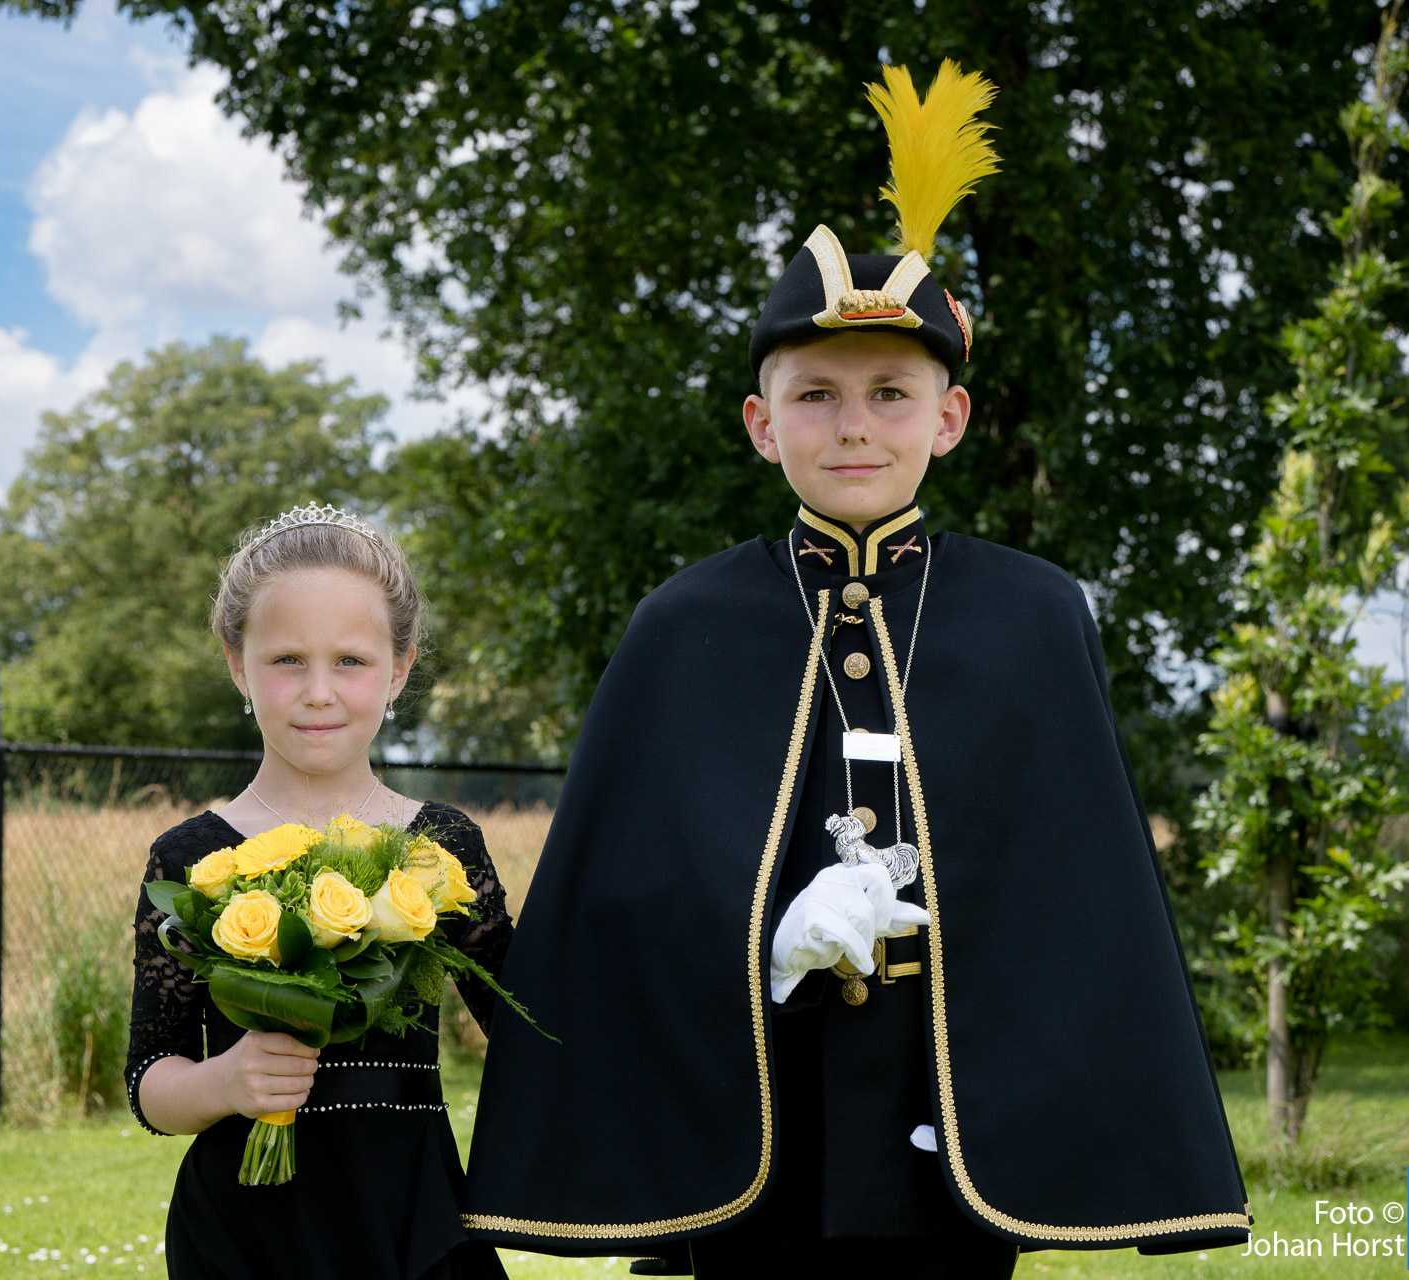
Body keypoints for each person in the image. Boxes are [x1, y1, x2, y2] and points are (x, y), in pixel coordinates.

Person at [460, 61, 1250, 1276]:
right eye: (816, 395)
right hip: (756, 1122)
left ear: (950, 417)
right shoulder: (682, 621)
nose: (854, 425)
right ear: (761, 423)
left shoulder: (1036, 614)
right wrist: (764, 937)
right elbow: (628, 901)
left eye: (891, 392)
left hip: (955, 1135)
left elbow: (1077, 892)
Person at [125, 504, 513, 1280]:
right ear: (238, 665)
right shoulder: (191, 857)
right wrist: (222, 1082)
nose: (318, 692)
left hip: (411, 1217)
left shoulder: (441, 844)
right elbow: (149, 1077)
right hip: (246, 1230)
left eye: (350, 661)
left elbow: (530, 1030)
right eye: (287, 660)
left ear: (398, 669)